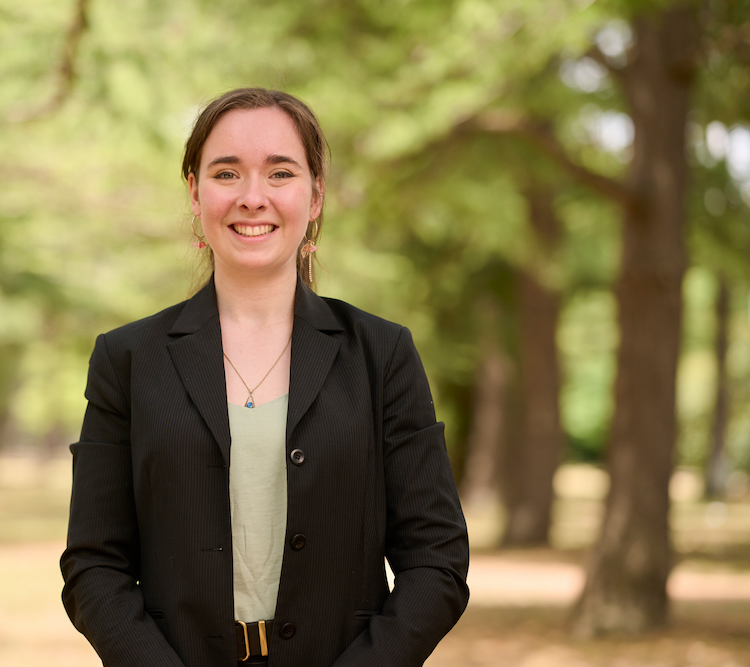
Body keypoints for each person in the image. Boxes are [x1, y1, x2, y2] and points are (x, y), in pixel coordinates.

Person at [61, 88, 469, 666]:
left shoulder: (383, 354)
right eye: (227, 173)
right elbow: (92, 565)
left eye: (280, 173)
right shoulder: (127, 359)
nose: (253, 198)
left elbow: (438, 559)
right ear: (196, 193)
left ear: (316, 196)